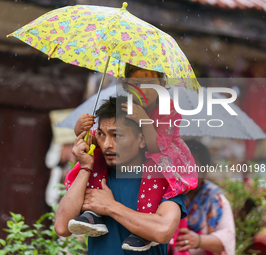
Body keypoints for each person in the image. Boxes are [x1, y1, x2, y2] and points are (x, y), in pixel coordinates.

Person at [65, 64, 197, 251]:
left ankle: (143, 231)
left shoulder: (167, 109)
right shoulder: (123, 105)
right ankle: (92, 212)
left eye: (150, 83)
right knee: (96, 153)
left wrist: (143, 120)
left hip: (161, 156)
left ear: (163, 84)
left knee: (153, 166)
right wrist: (80, 129)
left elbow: (156, 147)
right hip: (131, 157)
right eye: (136, 83)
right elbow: (103, 133)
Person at [172, 140, 235, 255]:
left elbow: (227, 239)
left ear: (205, 170)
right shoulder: (170, 194)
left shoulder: (215, 199)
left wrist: (198, 240)